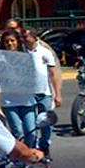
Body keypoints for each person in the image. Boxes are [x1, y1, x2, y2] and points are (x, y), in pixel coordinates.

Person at [0, 29, 37, 168]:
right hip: (9, 101)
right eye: (7, 42)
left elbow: (33, 76)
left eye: (12, 41)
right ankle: (19, 162)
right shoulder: (0, 59)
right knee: (17, 131)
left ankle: (29, 157)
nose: (10, 44)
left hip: (27, 100)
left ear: (18, 42)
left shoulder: (26, 57)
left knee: (30, 130)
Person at [22, 29, 62, 160]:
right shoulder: (19, 53)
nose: (24, 39)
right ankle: (31, 150)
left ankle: (45, 148)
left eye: (26, 37)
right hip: (27, 94)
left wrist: (58, 94)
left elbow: (53, 73)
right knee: (29, 124)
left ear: (34, 38)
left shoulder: (45, 52)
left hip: (44, 93)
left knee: (45, 122)